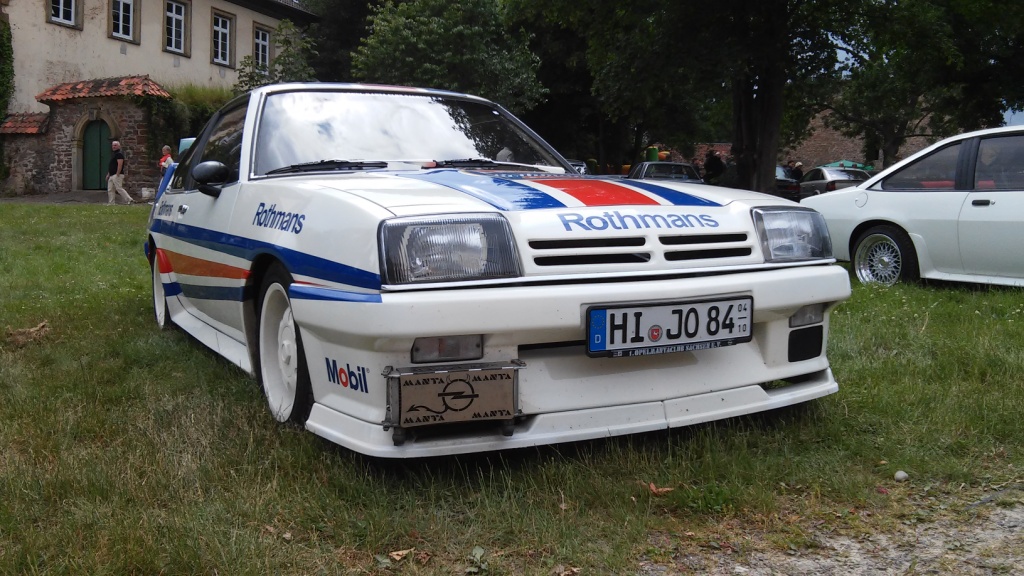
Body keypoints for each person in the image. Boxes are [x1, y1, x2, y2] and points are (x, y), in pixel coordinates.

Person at [106, 140, 134, 205]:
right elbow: (111, 166)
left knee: (119, 188)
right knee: (110, 189)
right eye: (113, 145)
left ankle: (129, 199)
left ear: (119, 146)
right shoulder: (114, 154)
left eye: (115, 145)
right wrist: (108, 174)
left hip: (117, 174)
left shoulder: (119, 154)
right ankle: (111, 203)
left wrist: (117, 174)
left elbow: (120, 165)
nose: (114, 147)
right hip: (112, 175)